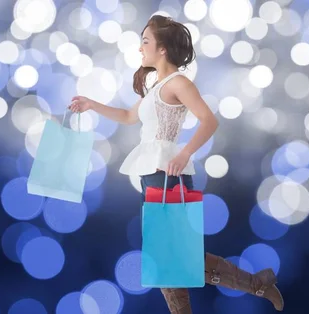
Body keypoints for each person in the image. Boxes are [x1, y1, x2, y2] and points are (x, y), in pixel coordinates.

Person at [69, 14, 284, 314]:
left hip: (167, 173)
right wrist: (91, 104)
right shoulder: (155, 87)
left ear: (163, 50)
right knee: (176, 257)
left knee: (167, 257)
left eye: (145, 41)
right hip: (152, 175)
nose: (139, 48)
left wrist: (184, 154)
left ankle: (258, 285)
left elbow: (209, 121)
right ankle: (258, 284)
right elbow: (129, 117)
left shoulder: (178, 83)